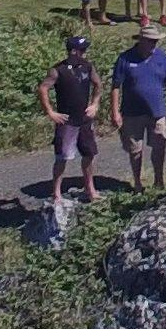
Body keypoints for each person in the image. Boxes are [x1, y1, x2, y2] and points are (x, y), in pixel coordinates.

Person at [38, 32, 104, 204]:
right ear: (73, 51)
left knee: (89, 153)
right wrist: (51, 112)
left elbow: (98, 84)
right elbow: (43, 88)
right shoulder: (58, 70)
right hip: (66, 119)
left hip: (84, 117)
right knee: (62, 157)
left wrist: (95, 103)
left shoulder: (87, 66)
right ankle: (56, 193)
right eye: (82, 50)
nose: (84, 53)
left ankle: (90, 189)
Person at [109, 25, 166, 190]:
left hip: (156, 111)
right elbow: (116, 86)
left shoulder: (163, 58)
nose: (154, 44)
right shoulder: (125, 58)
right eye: (151, 41)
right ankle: (138, 182)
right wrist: (115, 111)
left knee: (159, 146)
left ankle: (159, 181)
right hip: (132, 113)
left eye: (156, 41)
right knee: (135, 149)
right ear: (141, 40)